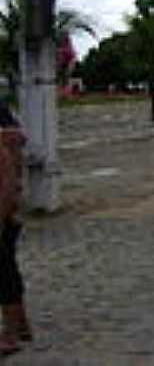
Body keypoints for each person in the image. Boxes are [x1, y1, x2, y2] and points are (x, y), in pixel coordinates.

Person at [0, 100, 32, 356]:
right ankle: (20, 325)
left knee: (3, 269)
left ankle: (11, 333)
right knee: (7, 263)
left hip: (4, 205)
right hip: (9, 202)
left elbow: (15, 142)